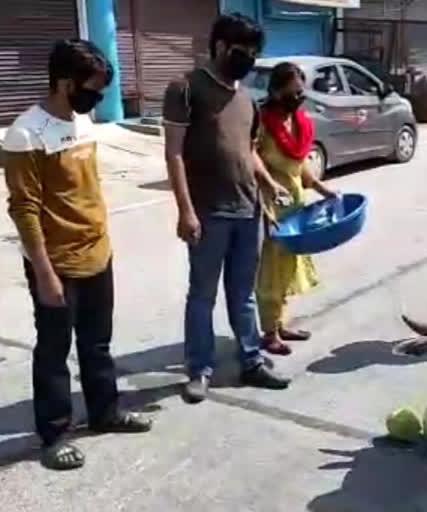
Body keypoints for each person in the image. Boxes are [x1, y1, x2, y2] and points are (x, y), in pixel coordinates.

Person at [3, 40, 152, 471]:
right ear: (64, 82)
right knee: (53, 351)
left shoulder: (82, 120)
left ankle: (105, 412)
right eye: (91, 88)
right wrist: (44, 272)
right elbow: (24, 210)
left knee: (97, 343)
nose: (97, 97)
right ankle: (54, 433)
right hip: (57, 263)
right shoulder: (26, 133)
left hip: (97, 255)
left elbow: (84, 189)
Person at [163, 13, 291, 403]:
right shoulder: (185, 88)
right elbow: (174, 153)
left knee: (243, 293)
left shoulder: (246, 100)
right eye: (243, 50)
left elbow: (248, 151)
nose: (249, 58)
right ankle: (199, 370)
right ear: (219, 46)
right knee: (202, 294)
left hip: (247, 210)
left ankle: (251, 361)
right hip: (209, 212)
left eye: (254, 52)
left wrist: (269, 186)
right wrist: (186, 210)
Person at [255, 63, 339, 356]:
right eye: (291, 92)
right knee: (271, 272)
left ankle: (281, 324)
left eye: (300, 92)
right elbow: (252, 161)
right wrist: (266, 197)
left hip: (295, 205)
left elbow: (300, 168)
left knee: (289, 268)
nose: (297, 97)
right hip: (270, 207)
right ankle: (269, 332)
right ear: (276, 91)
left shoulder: (300, 122)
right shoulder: (263, 123)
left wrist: (322, 189)